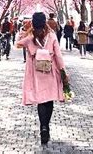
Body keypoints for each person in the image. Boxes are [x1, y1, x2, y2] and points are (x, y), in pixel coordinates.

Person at [16, 12, 65, 145]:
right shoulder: (52, 36)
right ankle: (46, 127)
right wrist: (63, 71)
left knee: (41, 101)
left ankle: (42, 127)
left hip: (36, 73)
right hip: (49, 70)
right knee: (48, 100)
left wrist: (24, 29)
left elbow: (18, 43)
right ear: (45, 23)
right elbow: (58, 56)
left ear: (33, 23)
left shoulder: (30, 37)